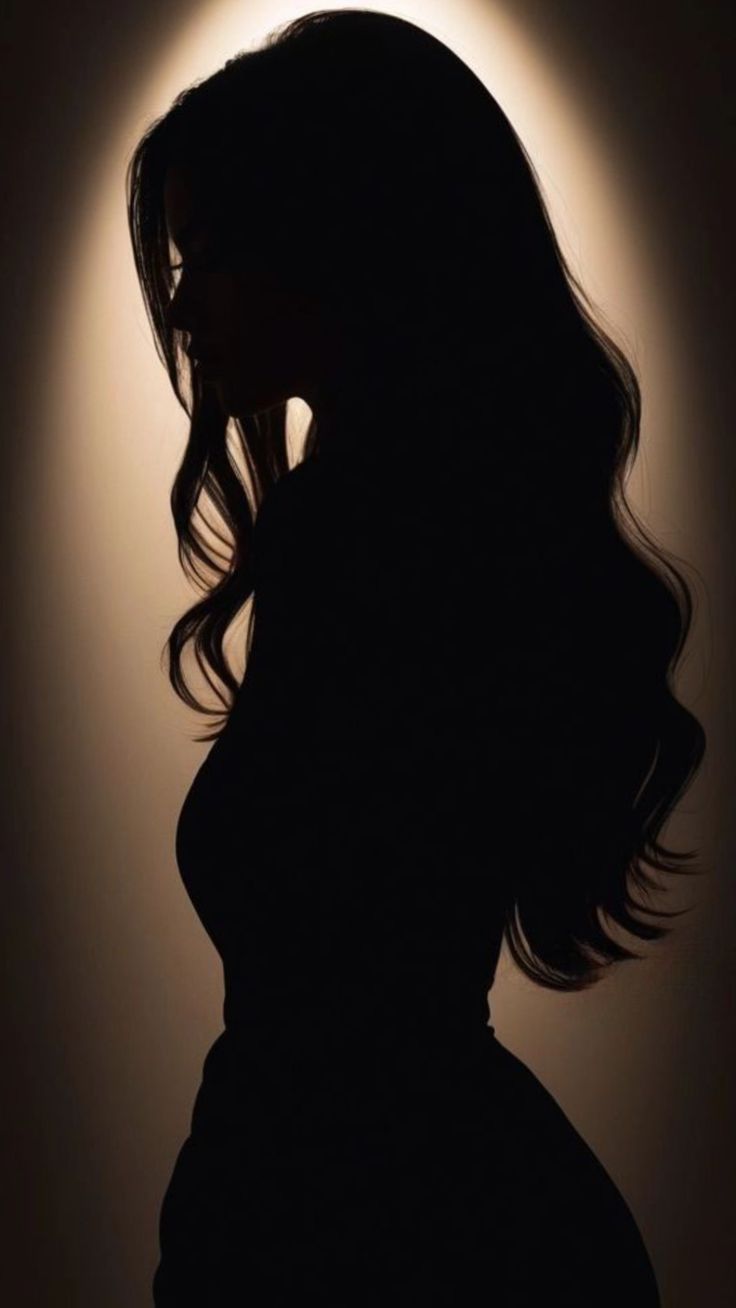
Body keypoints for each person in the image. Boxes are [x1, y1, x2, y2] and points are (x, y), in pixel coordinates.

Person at [126, 9, 705, 1303]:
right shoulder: (418, 534)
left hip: (383, 1235)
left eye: (210, 254)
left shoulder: (367, 544)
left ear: (334, 248)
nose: (181, 302)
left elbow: (342, 1018)